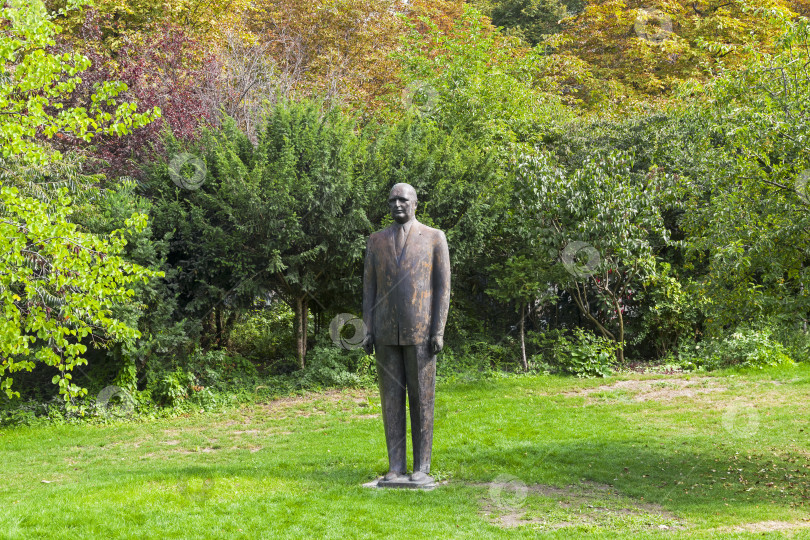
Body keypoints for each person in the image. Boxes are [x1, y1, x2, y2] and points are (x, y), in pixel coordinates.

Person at [362, 183, 451, 485]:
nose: (397, 204)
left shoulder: (435, 237)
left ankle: (421, 466)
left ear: (415, 203)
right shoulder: (376, 241)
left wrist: (438, 329)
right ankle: (395, 466)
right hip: (386, 333)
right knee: (391, 401)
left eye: (403, 200)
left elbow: (442, 286)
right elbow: (369, 288)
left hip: (422, 333)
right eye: (392, 201)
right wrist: (368, 328)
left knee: (422, 400)